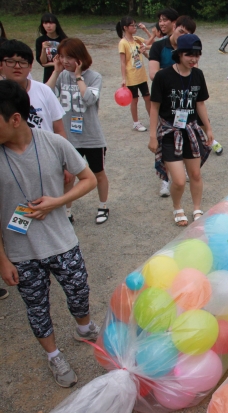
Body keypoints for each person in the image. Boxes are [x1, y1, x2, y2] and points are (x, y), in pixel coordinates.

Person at [0, 80, 100, 388]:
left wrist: (57, 202)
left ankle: (84, 328)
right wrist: (3, 260)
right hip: (21, 252)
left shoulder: (54, 143)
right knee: (37, 308)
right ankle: (54, 355)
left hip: (61, 242)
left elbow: (89, 179)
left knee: (79, 291)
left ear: (15, 119)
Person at [148, 34, 214, 226]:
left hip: (191, 130)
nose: (194, 59)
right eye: (189, 54)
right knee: (178, 180)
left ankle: (197, 208)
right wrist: (152, 136)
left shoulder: (198, 74)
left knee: (195, 174)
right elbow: (154, 107)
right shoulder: (162, 76)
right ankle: (177, 207)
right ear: (179, 54)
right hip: (170, 132)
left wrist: (208, 128)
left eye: (197, 55)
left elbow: (200, 103)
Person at [45, 38, 110, 225]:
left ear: (80, 58)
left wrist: (79, 76)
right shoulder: (62, 76)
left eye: (69, 57)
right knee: (68, 176)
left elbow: (89, 99)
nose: (65, 61)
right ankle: (66, 211)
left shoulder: (94, 77)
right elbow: (46, 95)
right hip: (68, 137)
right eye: (62, 56)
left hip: (92, 137)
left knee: (98, 172)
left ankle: (103, 206)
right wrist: (56, 72)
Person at [0, 40, 67, 139]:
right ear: (1, 65)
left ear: (30, 66)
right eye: (10, 62)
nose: (17, 66)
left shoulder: (44, 91)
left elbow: (59, 129)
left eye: (23, 62)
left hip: (43, 147)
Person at [116, 16, 151, 132]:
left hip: (141, 74)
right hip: (131, 76)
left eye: (135, 25)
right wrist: (123, 78)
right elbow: (122, 62)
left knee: (147, 97)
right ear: (125, 28)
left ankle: (153, 119)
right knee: (134, 99)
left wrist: (145, 30)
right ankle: (136, 123)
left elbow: (151, 42)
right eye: (132, 25)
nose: (135, 27)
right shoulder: (123, 43)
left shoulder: (136, 39)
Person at [35, 13, 68, 83]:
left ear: (56, 24)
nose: (48, 26)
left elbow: (68, 58)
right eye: (45, 23)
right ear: (42, 25)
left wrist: (49, 64)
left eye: (51, 23)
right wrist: (43, 49)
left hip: (64, 72)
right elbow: (43, 62)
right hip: (49, 74)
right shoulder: (40, 40)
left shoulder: (64, 39)